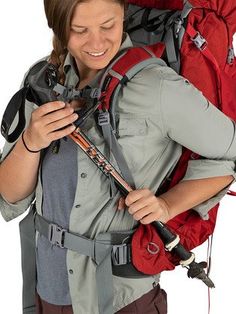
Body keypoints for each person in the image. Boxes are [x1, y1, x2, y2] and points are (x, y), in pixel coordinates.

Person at [0, 0, 236, 313]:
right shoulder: (43, 82)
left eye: (108, 25)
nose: (97, 43)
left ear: (123, 15)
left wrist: (167, 205)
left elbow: (230, 155)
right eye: (80, 30)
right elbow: (9, 196)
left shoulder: (158, 87)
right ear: (57, 26)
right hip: (45, 291)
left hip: (121, 300)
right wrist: (31, 141)